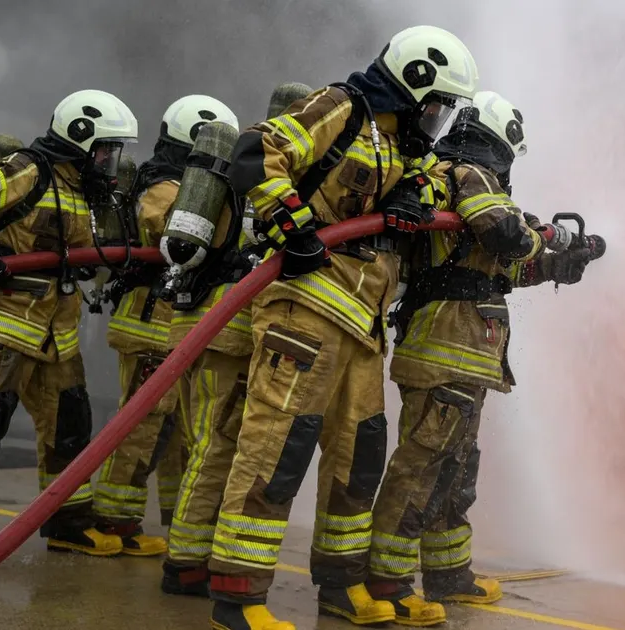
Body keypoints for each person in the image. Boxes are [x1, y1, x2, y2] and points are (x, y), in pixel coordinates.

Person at [177, 25, 479, 630]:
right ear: (413, 85)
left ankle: (341, 587)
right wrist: (291, 224)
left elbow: (422, 184)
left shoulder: (403, 146)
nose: (438, 119)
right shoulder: (343, 108)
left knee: (358, 458)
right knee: (274, 449)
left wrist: (412, 197)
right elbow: (258, 150)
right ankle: (238, 596)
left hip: (363, 328)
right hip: (304, 313)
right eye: (437, 105)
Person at [368, 91, 600, 625]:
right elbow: (506, 236)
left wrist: (560, 265)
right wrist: (546, 237)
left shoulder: (464, 189)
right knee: (422, 465)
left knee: (455, 467)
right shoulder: (468, 173)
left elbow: (498, 268)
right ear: (500, 142)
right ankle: (388, 581)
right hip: (443, 350)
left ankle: (449, 573)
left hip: (467, 353)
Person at [0, 89, 138, 565]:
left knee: (70, 426)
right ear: (79, 138)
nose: (110, 160)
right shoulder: (31, 171)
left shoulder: (82, 189)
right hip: (1, 325)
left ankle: (68, 524)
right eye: (105, 149)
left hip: (55, 336)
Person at [159, 82, 313, 598]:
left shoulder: (233, 163)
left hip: (207, 324)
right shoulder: (266, 170)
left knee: (209, 444)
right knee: (216, 446)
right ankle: (185, 563)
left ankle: (192, 555)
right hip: (227, 328)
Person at [94, 95, 240, 557]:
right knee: (141, 426)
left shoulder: (179, 183)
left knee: (177, 430)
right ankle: (115, 519)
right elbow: (168, 229)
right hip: (150, 323)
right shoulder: (161, 186)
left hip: (174, 323)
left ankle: (182, 521)